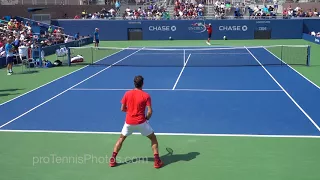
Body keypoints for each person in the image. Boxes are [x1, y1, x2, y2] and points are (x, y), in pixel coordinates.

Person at [109, 75, 163, 169]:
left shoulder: (127, 94)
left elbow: (122, 109)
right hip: (141, 123)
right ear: (143, 84)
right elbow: (150, 111)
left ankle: (113, 159)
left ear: (134, 83)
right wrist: (147, 118)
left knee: (121, 139)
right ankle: (157, 161)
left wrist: (131, 111)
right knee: (153, 138)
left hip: (128, 122)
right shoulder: (146, 95)